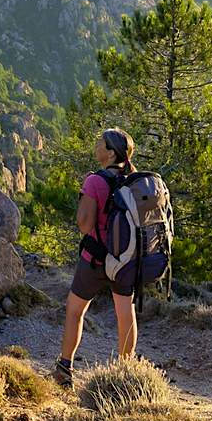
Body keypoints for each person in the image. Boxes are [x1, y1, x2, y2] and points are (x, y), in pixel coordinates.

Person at [53, 127, 138, 387]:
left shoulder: (95, 181)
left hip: (95, 259)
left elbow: (84, 224)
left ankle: (65, 368)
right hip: (125, 259)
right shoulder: (134, 180)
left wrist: (86, 196)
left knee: (75, 311)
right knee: (125, 314)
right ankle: (126, 373)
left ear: (110, 152)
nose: (96, 145)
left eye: (100, 143)